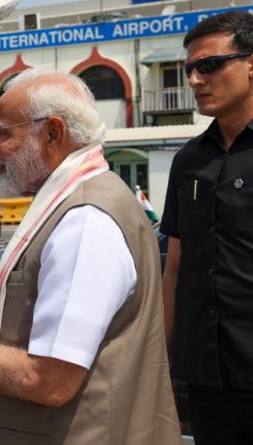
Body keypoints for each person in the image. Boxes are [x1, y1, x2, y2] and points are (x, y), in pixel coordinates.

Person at [0, 68, 181, 444]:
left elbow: (51, 380)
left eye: (2, 133)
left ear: (53, 134)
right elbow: (31, 316)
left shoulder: (85, 222)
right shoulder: (82, 197)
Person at [161, 11, 253, 444]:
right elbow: (175, 268)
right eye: (190, 69)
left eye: (209, 65)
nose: (195, 79)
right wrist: (161, 363)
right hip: (207, 379)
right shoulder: (188, 161)